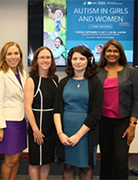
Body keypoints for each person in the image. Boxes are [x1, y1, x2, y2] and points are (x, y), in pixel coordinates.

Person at [53, 45, 103, 180]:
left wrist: (78, 136)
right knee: (67, 166)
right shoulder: (63, 82)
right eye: (75, 58)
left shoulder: (95, 83)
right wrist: (60, 134)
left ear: (88, 61)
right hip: (65, 132)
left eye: (82, 58)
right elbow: (57, 110)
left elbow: (95, 114)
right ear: (70, 60)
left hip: (86, 133)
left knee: (85, 167)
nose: (78, 62)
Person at [97, 39, 138, 179]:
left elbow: (136, 99)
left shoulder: (130, 71)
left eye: (115, 51)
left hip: (123, 122)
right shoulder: (98, 71)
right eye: (109, 51)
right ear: (104, 53)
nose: (112, 53)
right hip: (102, 122)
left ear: (120, 54)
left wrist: (132, 125)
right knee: (106, 159)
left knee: (120, 159)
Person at [0, 42, 27, 180]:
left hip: (21, 121)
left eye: (16, 53)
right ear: (4, 57)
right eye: (10, 54)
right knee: (10, 160)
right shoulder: (0, 74)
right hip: (8, 123)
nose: (13, 57)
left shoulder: (23, 73)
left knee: (17, 157)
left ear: (20, 56)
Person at [24, 46, 58, 180]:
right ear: (36, 60)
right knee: (35, 162)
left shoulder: (56, 80)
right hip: (37, 126)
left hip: (51, 127)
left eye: (48, 57)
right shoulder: (31, 81)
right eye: (42, 57)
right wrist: (35, 130)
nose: (45, 60)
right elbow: (28, 107)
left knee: (46, 160)